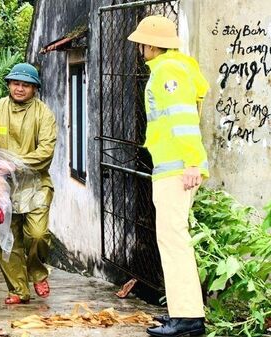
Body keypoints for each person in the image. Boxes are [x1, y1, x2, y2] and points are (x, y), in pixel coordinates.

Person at [127, 15, 209, 337]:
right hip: (173, 167)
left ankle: (188, 318)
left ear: (150, 44)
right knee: (171, 241)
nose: (140, 49)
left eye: (142, 43)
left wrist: (192, 162)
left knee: (175, 242)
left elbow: (183, 119)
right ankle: (181, 312)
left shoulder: (167, 71)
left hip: (177, 169)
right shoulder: (172, 67)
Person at [0, 63, 57, 305]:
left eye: (25, 85)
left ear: (34, 88)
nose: (19, 88)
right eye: (16, 83)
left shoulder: (43, 114)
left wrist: (15, 164)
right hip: (1, 186)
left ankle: (37, 272)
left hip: (34, 184)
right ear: (8, 84)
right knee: (6, 239)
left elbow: (46, 150)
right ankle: (17, 289)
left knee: (37, 234)